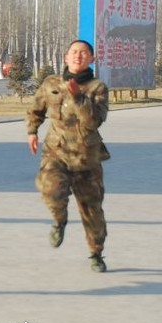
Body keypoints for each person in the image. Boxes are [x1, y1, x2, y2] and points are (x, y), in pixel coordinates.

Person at [26, 39, 111, 272]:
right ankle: (59, 220)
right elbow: (36, 108)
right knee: (50, 189)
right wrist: (32, 131)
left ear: (91, 59)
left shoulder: (98, 88)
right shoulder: (51, 83)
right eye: (74, 52)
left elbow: (94, 122)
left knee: (92, 209)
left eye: (84, 53)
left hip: (87, 158)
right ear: (66, 57)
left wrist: (78, 98)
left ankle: (96, 253)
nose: (78, 56)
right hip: (56, 152)